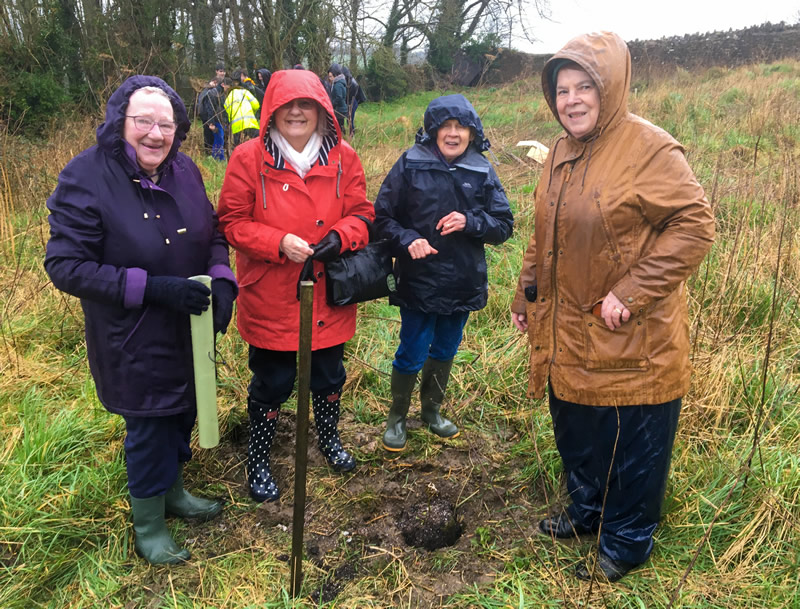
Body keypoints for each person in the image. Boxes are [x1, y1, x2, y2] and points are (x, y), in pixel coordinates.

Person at [511, 32, 714, 582]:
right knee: (577, 427)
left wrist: (630, 292)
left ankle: (627, 541)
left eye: (583, 87)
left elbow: (695, 226)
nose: (570, 100)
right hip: (568, 331)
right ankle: (588, 511)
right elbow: (545, 229)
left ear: (611, 87)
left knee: (630, 443)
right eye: (561, 90)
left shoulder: (648, 147)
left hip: (631, 337)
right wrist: (526, 288)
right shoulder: (559, 150)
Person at [44, 75, 238, 565]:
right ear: (119, 122)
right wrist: (150, 288)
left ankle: (173, 491)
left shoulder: (186, 170)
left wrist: (221, 279)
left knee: (182, 412)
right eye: (143, 122)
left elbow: (213, 231)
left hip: (188, 328)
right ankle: (149, 523)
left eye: (166, 124)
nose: (155, 134)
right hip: (131, 334)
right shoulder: (85, 176)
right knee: (150, 423)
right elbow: (66, 266)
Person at [217, 69, 374, 503]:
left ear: (323, 109)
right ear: (272, 112)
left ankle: (328, 440)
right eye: (287, 105)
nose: (297, 112)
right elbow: (231, 222)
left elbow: (362, 213)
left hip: (329, 292)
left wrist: (340, 237)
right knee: (272, 381)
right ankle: (259, 459)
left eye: (307, 104)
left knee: (328, 376)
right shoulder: (248, 158)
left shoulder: (345, 157)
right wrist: (276, 242)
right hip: (270, 292)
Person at [374, 94, 514, 452]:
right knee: (412, 350)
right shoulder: (410, 163)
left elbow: (503, 226)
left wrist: (471, 221)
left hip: (462, 280)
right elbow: (382, 218)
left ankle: (432, 412)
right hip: (419, 279)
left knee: (447, 348)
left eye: (461, 127)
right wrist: (408, 240)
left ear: (472, 132)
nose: (453, 133)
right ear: (433, 130)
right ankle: (397, 417)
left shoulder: (482, 169)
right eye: (445, 126)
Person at [222, 76, 260, 149]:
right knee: (257, 147)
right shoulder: (244, 92)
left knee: (241, 150)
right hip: (250, 124)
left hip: (237, 129)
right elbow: (256, 105)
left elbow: (228, 117)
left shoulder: (226, 101)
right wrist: (252, 112)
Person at [197, 79, 226, 160]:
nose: (215, 84)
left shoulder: (218, 93)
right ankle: (212, 154)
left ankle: (214, 154)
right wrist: (210, 122)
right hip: (209, 118)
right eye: (214, 82)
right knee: (211, 136)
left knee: (217, 137)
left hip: (215, 118)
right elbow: (209, 108)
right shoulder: (208, 92)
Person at [342, 66, 366, 137]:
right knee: (347, 118)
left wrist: (348, 106)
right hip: (349, 101)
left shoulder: (353, 84)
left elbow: (350, 97)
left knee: (349, 119)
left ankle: (351, 135)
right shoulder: (346, 81)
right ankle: (347, 134)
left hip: (353, 101)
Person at [327, 63, 348, 131]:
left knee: (338, 128)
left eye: (330, 76)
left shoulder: (337, 85)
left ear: (335, 75)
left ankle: (342, 139)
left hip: (339, 110)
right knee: (341, 126)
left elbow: (339, 97)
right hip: (342, 108)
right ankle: (345, 138)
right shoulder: (340, 82)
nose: (329, 79)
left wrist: (332, 104)